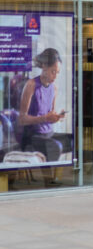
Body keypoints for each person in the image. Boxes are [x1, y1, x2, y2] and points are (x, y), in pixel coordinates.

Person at [19, 48, 70, 185]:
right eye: (53, 71)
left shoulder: (54, 88)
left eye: (57, 72)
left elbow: (50, 114)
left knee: (70, 140)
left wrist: (56, 117)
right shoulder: (31, 85)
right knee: (54, 146)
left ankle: (54, 177)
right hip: (32, 134)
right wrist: (44, 118)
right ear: (44, 67)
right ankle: (49, 180)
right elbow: (22, 119)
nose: (55, 76)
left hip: (47, 132)